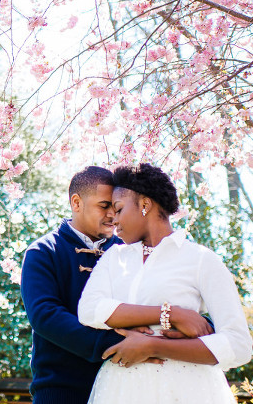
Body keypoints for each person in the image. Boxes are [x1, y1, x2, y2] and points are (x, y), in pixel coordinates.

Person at [78, 163, 252, 404]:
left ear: (144, 205)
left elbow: (238, 344)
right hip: (122, 390)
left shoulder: (201, 259)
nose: (113, 219)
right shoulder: (113, 258)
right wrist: (170, 314)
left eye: (118, 209)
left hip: (189, 391)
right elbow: (89, 310)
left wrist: (153, 346)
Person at [21, 166, 127, 404]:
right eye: (104, 205)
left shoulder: (128, 250)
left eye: (116, 206)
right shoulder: (43, 252)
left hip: (123, 387)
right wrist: (115, 345)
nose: (113, 214)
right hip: (60, 389)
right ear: (76, 203)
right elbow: (45, 316)